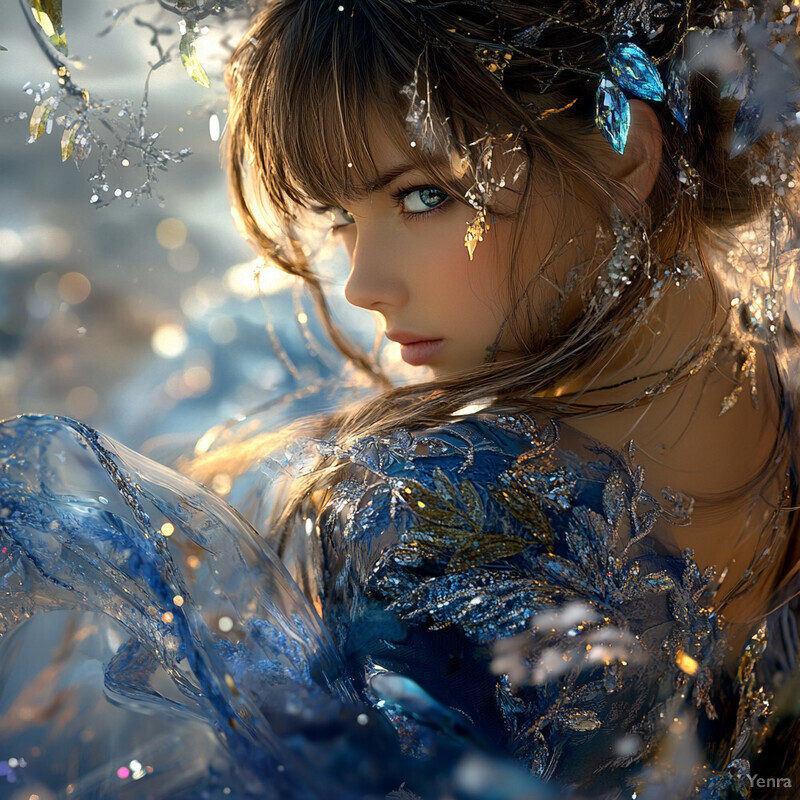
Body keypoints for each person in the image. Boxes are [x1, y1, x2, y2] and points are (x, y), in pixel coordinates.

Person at [1, 1, 800, 798]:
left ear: (627, 154)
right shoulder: (781, 391)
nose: (361, 286)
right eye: (342, 218)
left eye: (423, 197)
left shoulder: (433, 528)